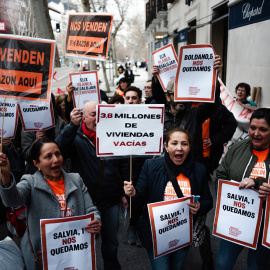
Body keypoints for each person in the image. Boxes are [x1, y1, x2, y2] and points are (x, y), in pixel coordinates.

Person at [0, 138, 101, 270]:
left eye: (58, 154)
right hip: (41, 257)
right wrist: (6, 177)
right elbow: (12, 201)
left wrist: (96, 221)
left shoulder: (76, 179)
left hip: (75, 253)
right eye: (48, 156)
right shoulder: (30, 182)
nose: (56, 160)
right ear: (36, 163)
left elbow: (91, 210)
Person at [124, 127, 213, 270]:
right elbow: (139, 200)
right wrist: (133, 194)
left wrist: (200, 206)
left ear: (190, 147)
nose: (179, 148)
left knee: (176, 266)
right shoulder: (150, 166)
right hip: (156, 235)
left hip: (183, 235)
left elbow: (208, 201)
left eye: (184, 144)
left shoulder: (199, 170)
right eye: (174, 143)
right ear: (166, 146)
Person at [55, 101, 129, 270]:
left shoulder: (114, 135)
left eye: (101, 113)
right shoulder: (75, 137)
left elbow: (124, 164)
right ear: (83, 117)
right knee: (82, 244)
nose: (98, 118)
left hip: (110, 200)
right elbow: (59, 148)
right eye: (93, 114)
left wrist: (123, 193)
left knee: (111, 243)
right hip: (84, 202)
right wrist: (71, 127)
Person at [215, 108, 270, 270]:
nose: (256, 133)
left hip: (264, 226)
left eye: (263, 129)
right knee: (222, 264)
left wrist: (260, 185)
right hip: (237, 218)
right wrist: (234, 187)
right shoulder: (237, 147)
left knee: (256, 266)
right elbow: (220, 177)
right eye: (253, 128)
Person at [152, 55, 223, 164]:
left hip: (191, 170)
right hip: (165, 169)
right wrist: (156, 79)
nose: (181, 99)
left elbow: (212, 104)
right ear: (168, 97)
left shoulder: (195, 114)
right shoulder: (159, 117)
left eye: (183, 95)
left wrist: (215, 77)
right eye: (176, 95)